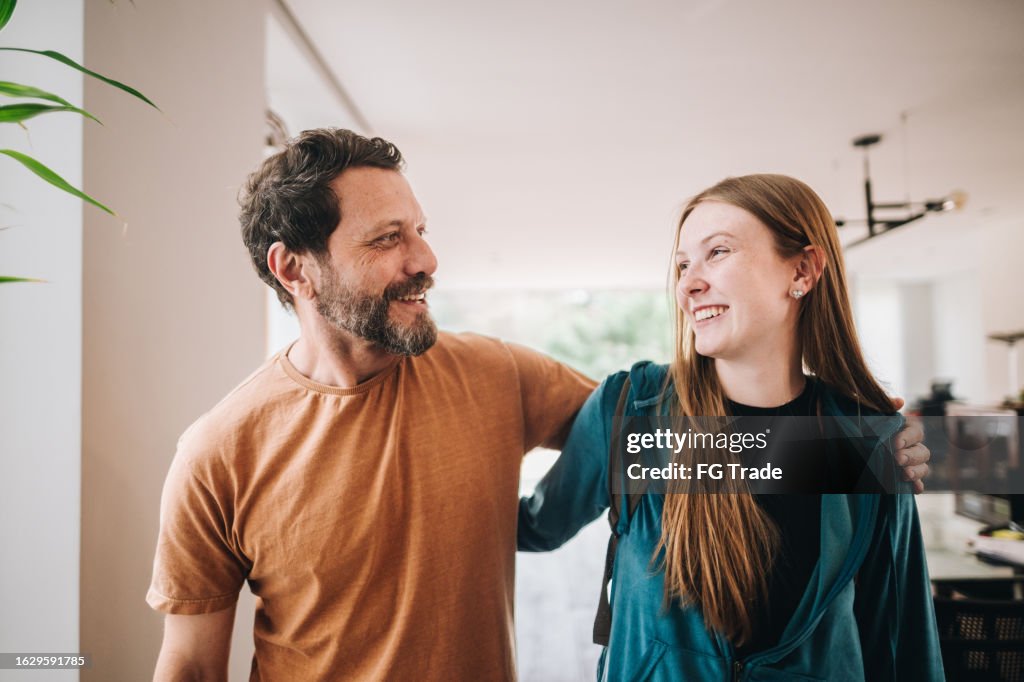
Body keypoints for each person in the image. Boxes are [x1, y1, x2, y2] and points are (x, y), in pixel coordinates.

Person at [147, 131, 931, 681]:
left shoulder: (496, 375)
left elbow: (665, 446)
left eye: (419, 230)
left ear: (805, 271)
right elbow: (187, 665)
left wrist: (886, 445)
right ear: (295, 270)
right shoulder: (218, 450)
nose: (426, 259)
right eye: (388, 238)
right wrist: (855, 450)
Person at [518, 174, 943, 681]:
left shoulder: (867, 438)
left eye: (717, 252)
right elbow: (534, 526)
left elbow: (900, 633)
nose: (689, 282)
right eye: (682, 265)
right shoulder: (632, 408)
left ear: (802, 271)